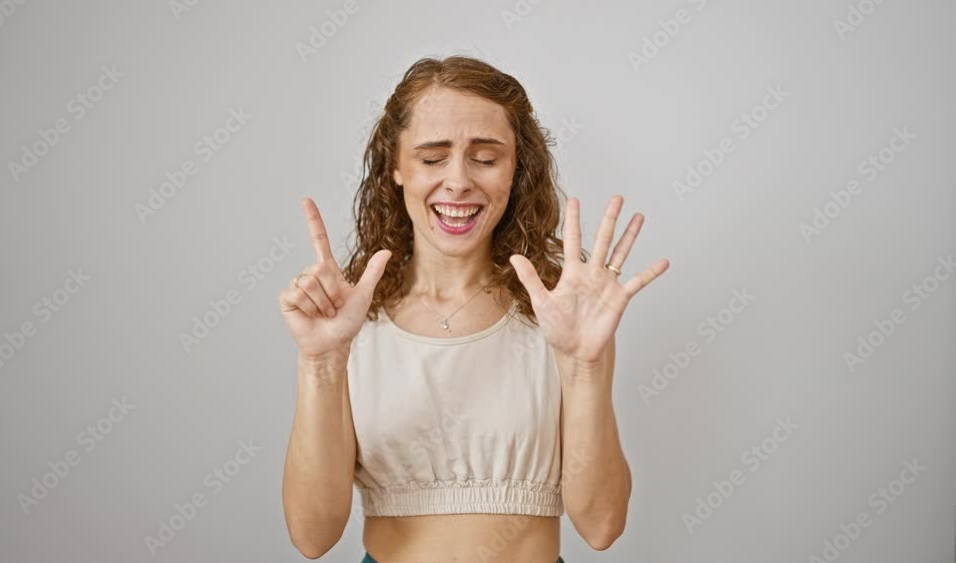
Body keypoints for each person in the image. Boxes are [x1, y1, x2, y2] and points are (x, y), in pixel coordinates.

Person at [280, 56, 669, 563]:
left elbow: (601, 526)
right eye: (432, 158)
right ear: (396, 166)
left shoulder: (562, 317)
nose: (458, 181)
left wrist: (585, 366)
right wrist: (321, 363)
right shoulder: (347, 323)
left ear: (517, 169)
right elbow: (312, 537)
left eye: (485, 158)